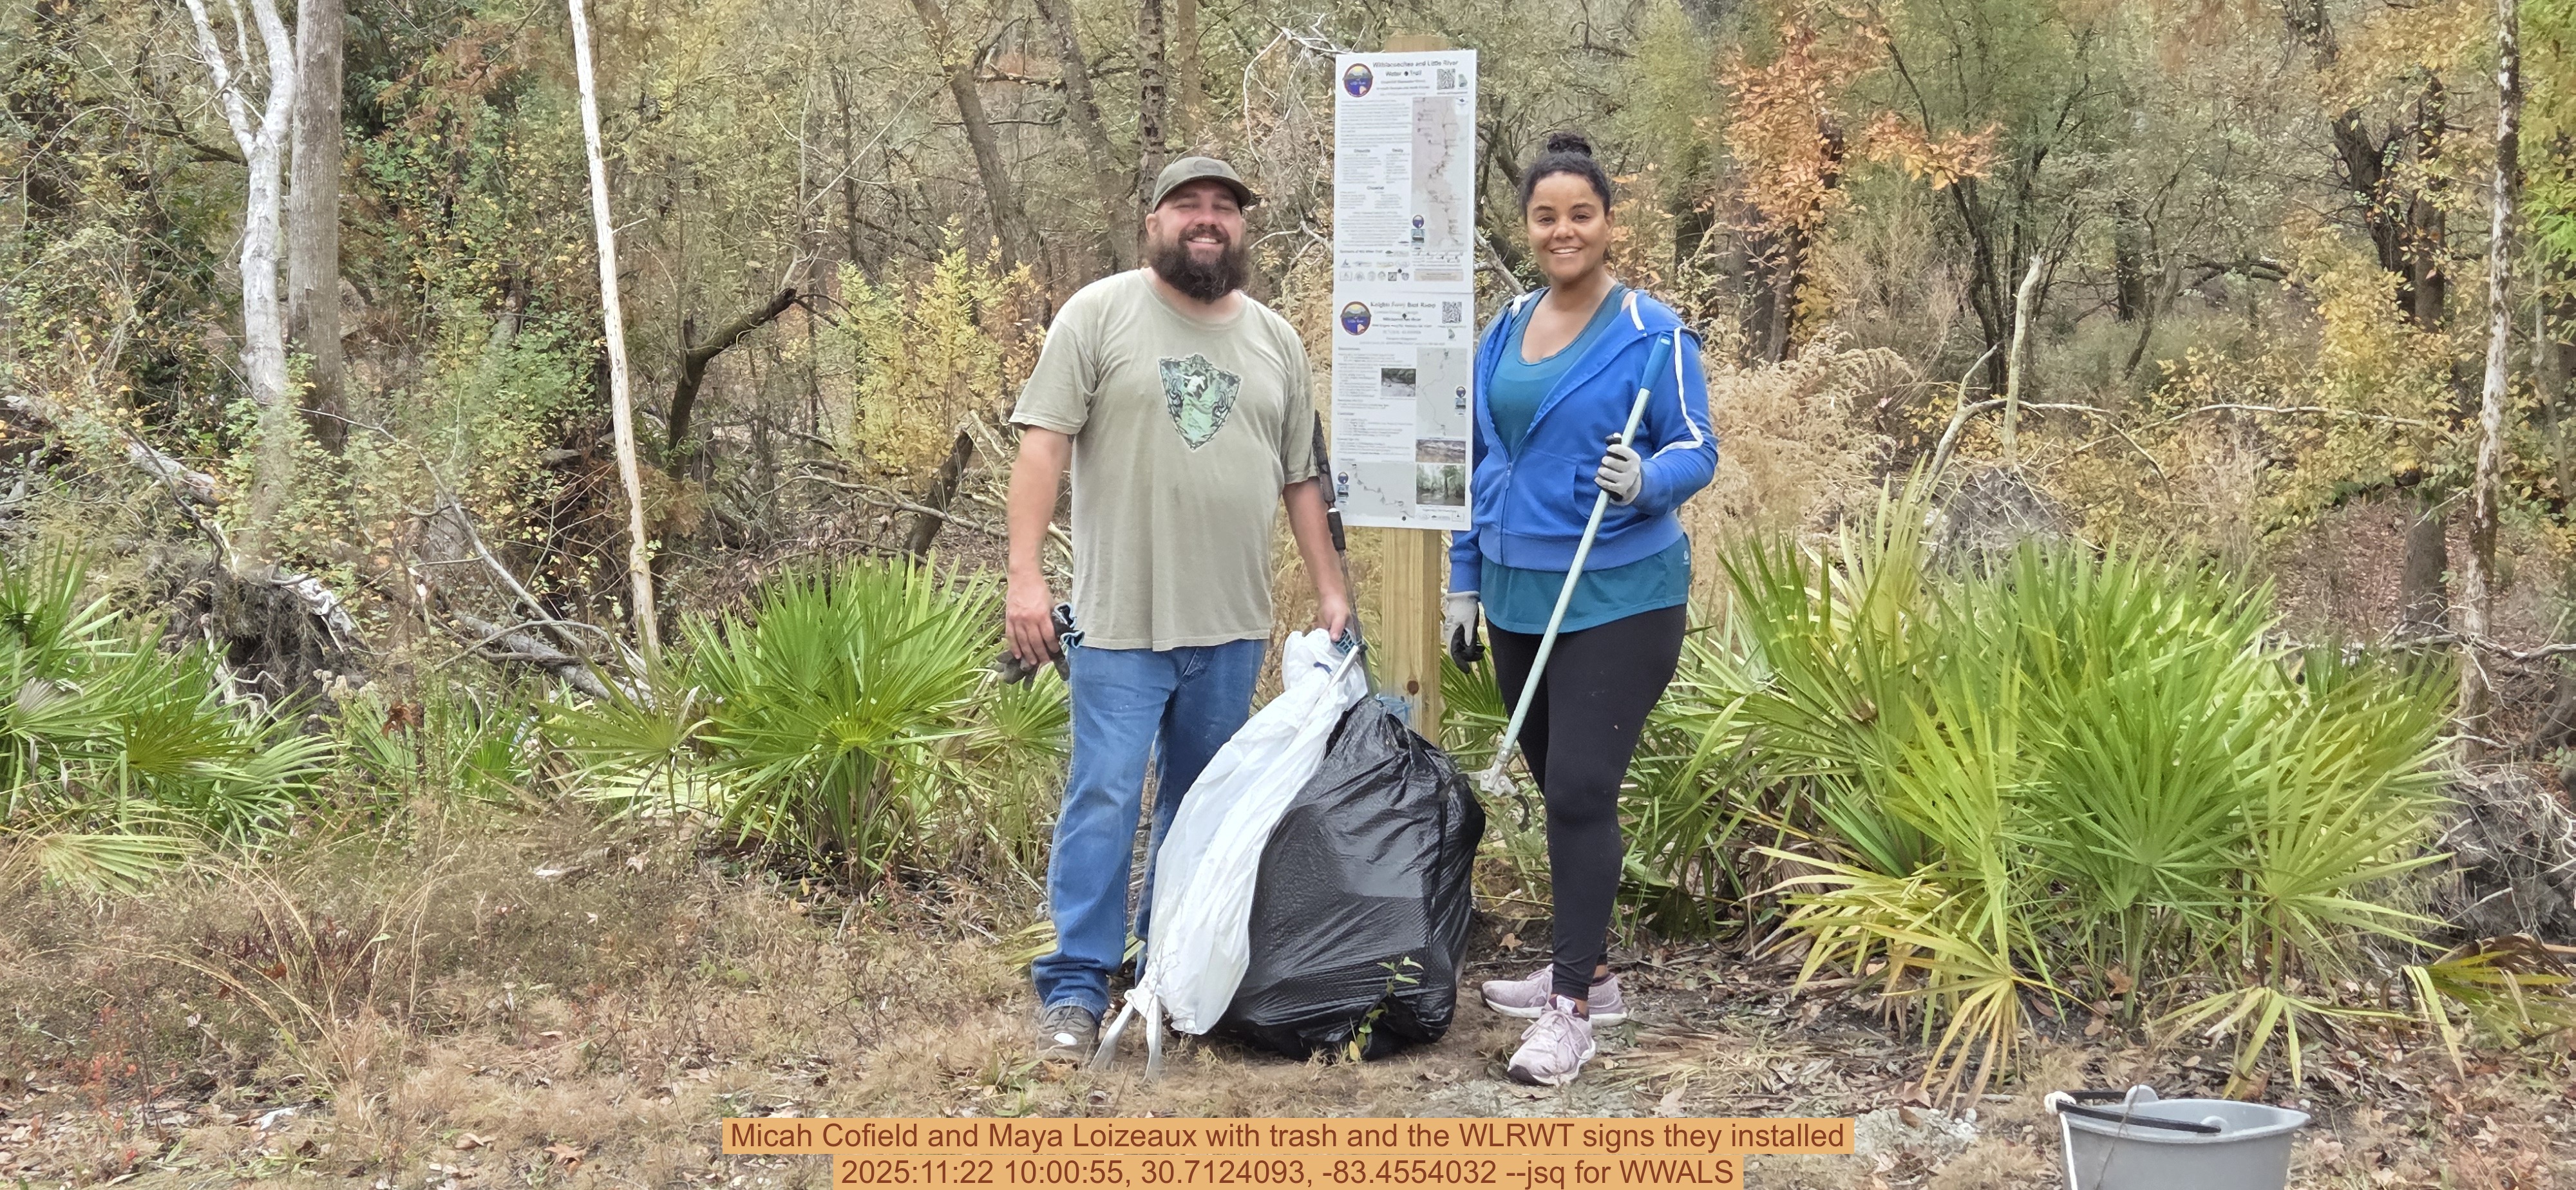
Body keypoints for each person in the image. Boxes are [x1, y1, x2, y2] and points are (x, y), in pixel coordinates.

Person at [1005, 156, 1354, 1059]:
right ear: (1153, 223)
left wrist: (1330, 590)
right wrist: (1025, 578)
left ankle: (1166, 972)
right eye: (1188, 206)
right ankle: (1078, 984)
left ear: (1242, 230)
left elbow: (1302, 478)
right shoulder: (1099, 313)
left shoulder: (1277, 341)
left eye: (1225, 210)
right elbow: (1042, 452)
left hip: (1231, 626)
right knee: (1104, 797)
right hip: (1120, 622)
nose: (1209, 221)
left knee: (1200, 808)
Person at [1442, 132, 1718, 1086]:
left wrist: (1647, 479)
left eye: (1582, 215)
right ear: (1528, 227)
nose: (1564, 231)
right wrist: (1463, 578)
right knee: (1557, 784)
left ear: (1608, 224)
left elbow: (1697, 448)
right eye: (1547, 216)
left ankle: (1570, 1017)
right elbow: (1484, 461)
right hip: (1519, 595)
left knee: (1579, 791)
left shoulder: (1652, 332)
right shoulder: (1503, 327)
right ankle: (1589, 971)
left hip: (1618, 596)